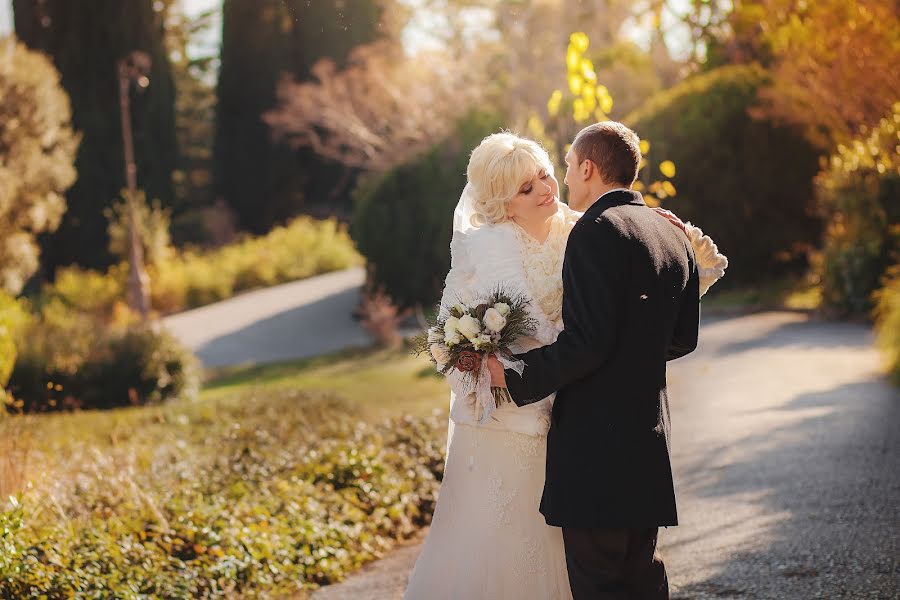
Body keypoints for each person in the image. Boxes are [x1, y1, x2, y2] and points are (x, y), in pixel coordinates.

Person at [404, 127, 727, 599]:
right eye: (526, 188)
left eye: (545, 175)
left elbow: (601, 333)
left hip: (584, 431)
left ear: (582, 169)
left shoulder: (587, 230)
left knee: (598, 572)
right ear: (501, 203)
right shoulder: (488, 250)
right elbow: (452, 345)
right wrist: (486, 369)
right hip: (527, 428)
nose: (546, 189)